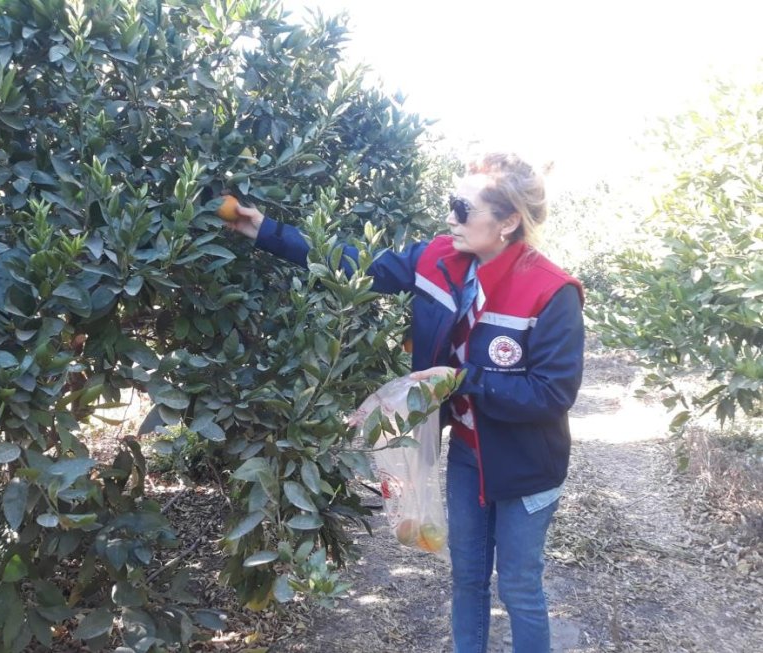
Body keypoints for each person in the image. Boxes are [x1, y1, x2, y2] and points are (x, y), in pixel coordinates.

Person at [226, 152, 585, 653]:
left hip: (526, 463)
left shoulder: (550, 291)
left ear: (507, 221)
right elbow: (353, 262)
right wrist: (267, 231)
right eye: (450, 204)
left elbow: (553, 394)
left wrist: (463, 379)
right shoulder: (439, 259)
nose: (450, 218)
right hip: (467, 454)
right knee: (467, 579)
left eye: (463, 208)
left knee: (520, 587)